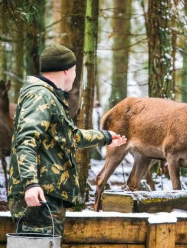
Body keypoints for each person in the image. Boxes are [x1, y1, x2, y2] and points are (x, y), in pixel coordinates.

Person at [7, 43, 127, 236]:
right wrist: (30, 184)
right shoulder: (40, 96)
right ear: (66, 70)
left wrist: (105, 137)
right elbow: (26, 140)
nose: (75, 74)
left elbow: (69, 137)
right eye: (75, 70)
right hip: (38, 195)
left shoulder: (50, 96)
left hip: (46, 194)